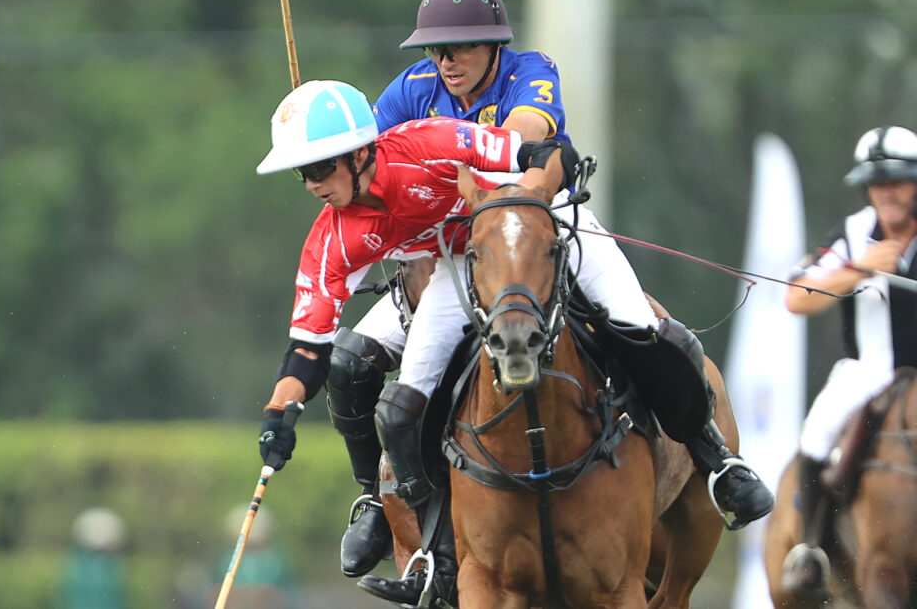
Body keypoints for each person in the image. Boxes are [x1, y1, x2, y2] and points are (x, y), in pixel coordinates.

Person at [255, 79, 774, 607]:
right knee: (401, 408)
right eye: (303, 173)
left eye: (321, 168)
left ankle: (715, 459)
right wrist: (280, 413)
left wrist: (538, 190)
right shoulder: (332, 237)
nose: (312, 184)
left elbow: (548, 151)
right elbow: (307, 348)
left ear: (362, 152)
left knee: (644, 331)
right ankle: (437, 555)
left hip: (541, 225)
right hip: (465, 260)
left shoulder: (430, 143)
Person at [331, 0, 573, 580]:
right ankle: (376, 504)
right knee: (349, 364)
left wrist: (438, 155)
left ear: (493, 46)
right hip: (448, 254)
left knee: (640, 324)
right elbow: (366, 159)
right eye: (437, 49)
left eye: (461, 46)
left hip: (533, 235)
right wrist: (330, 160)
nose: (446, 61)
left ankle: (710, 455)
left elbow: (522, 135)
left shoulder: (530, 70)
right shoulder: (413, 88)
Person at [781, 125, 917, 597]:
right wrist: (860, 269)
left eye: (896, 181)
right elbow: (796, 297)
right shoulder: (853, 234)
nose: (885, 193)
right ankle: (811, 549)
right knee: (815, 435)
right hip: (868, 371)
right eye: (876, 184)